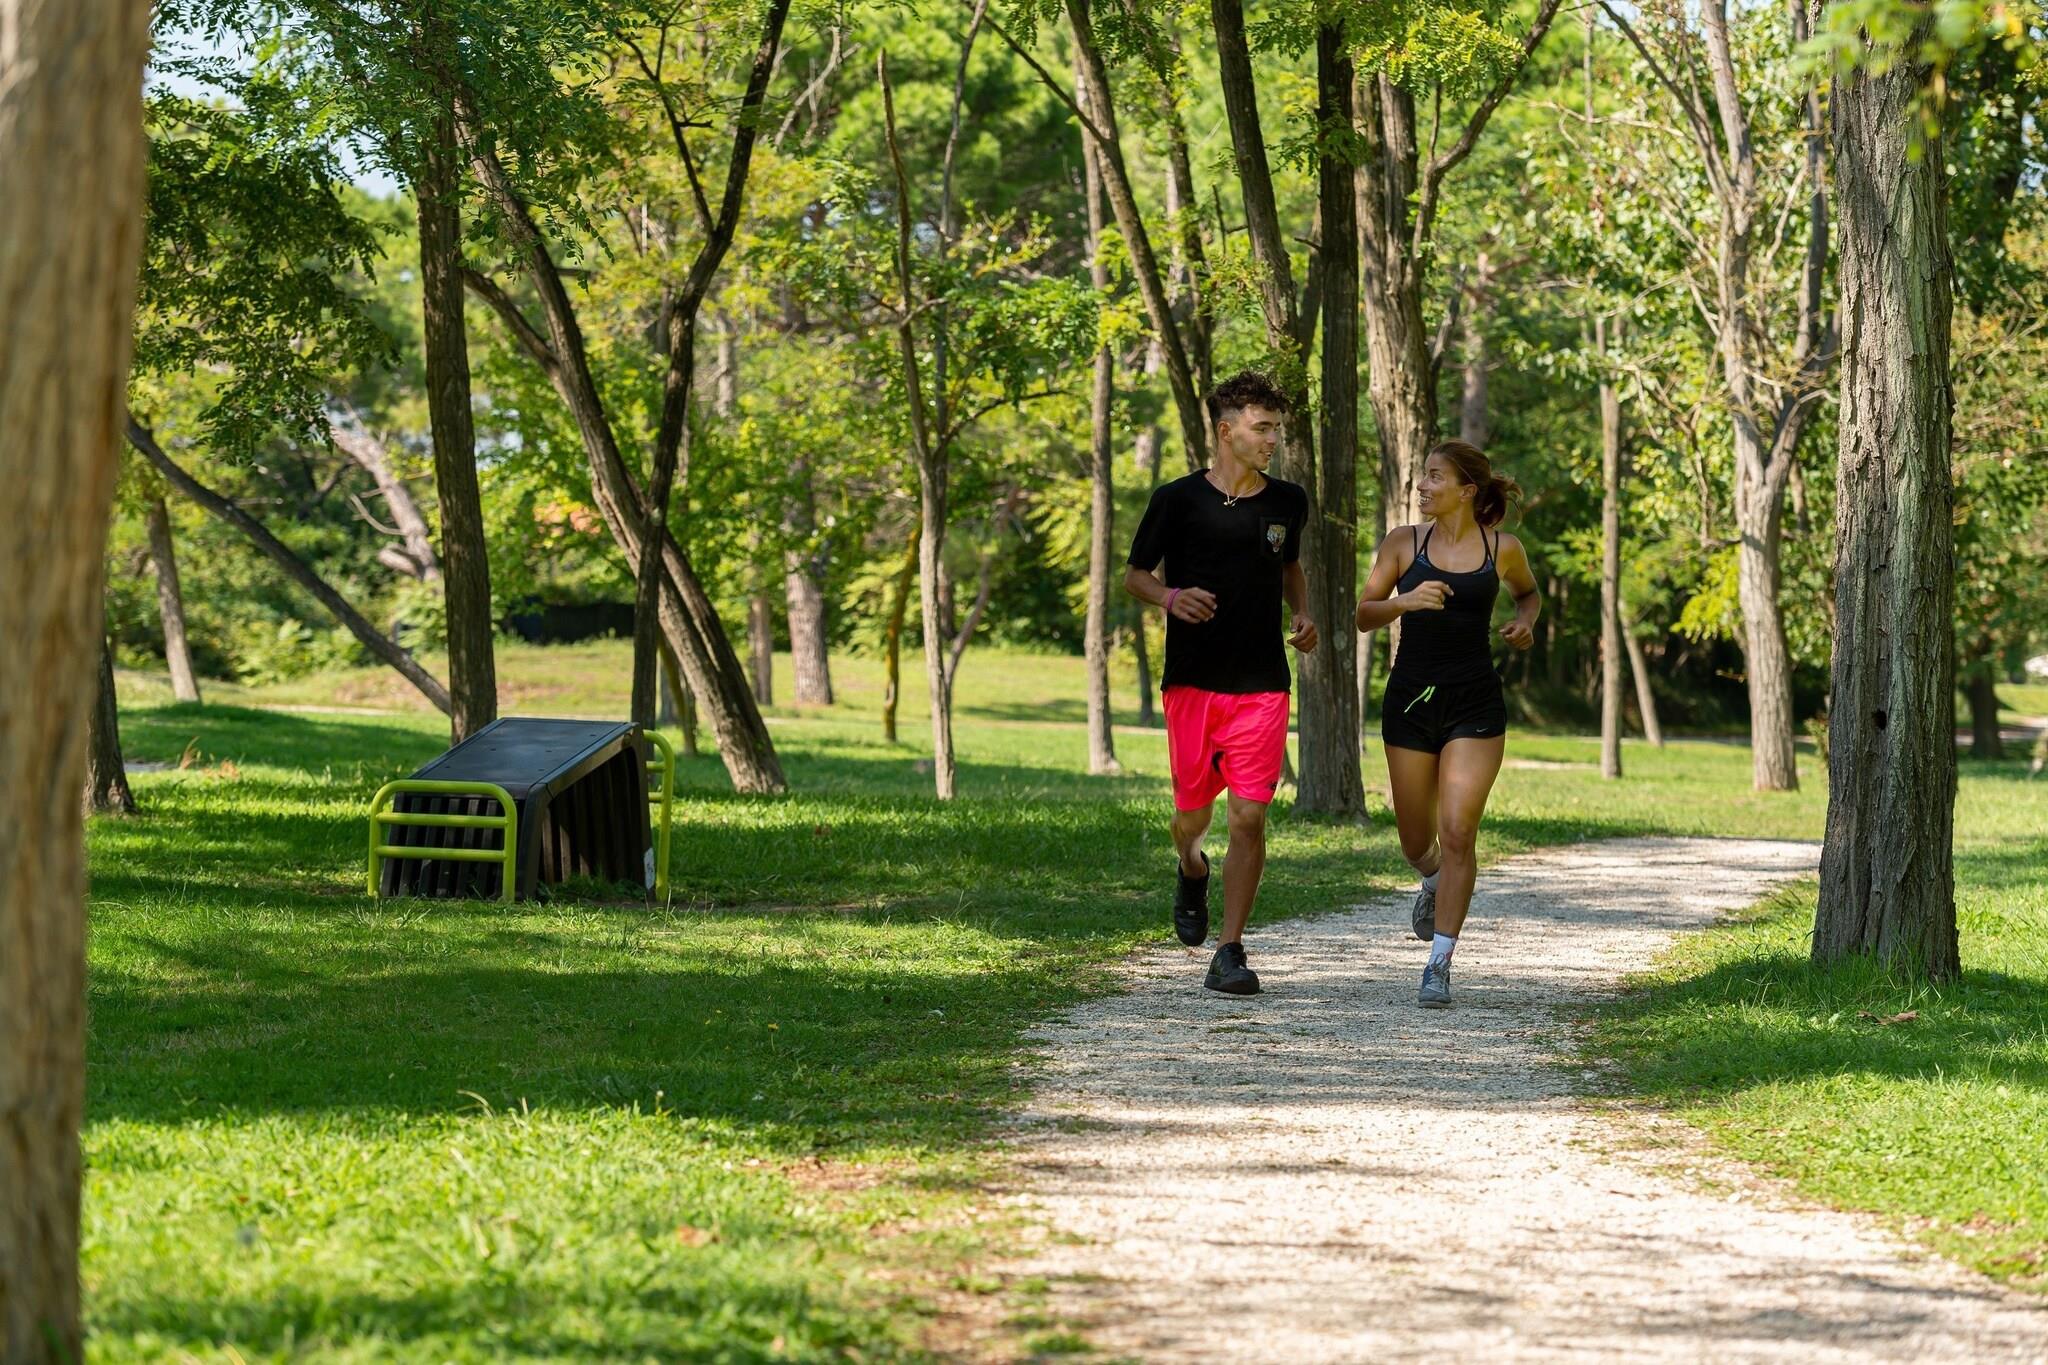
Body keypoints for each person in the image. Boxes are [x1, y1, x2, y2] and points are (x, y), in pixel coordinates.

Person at [1124, 371, 1317, 995]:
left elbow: (1290, 566)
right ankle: (1190, 866)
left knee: (1249, 816)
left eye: (1276, 429)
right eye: (1263, 429)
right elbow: (1135, 575)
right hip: (1192, 682)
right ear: (1226, 431)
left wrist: (1303, 614)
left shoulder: (1288, 501)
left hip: (1262, 683)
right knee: (1191, 816)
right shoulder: (1176, 500)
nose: (1273, 440)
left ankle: (1230, 950)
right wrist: (1170, 596)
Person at [1355, 440, 1540, 1008]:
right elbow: (1364, 614)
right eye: (1424, 475)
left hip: (1475, 702)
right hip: (1411, 700)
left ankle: (1438, 964)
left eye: (1436, 477)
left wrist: (1524, 623)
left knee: (1459, 831)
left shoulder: (1502, 548)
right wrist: (1405, 602)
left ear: (1467, 491)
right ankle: (1431, 879)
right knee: (1417, 840)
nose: (1424, 485)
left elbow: (1529, 595)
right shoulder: (1403, 543)